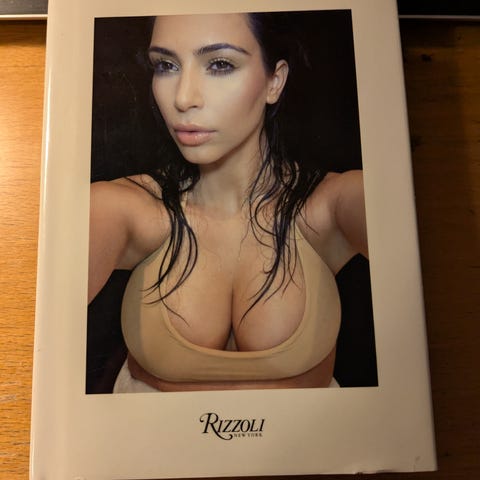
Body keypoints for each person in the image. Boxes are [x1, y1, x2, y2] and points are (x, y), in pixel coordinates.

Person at [88, 12, 368, 393]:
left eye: (219, 64)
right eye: (166, 65)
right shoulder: (123, 209)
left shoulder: (329, 206)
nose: (183, 98)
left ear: (274, 81)